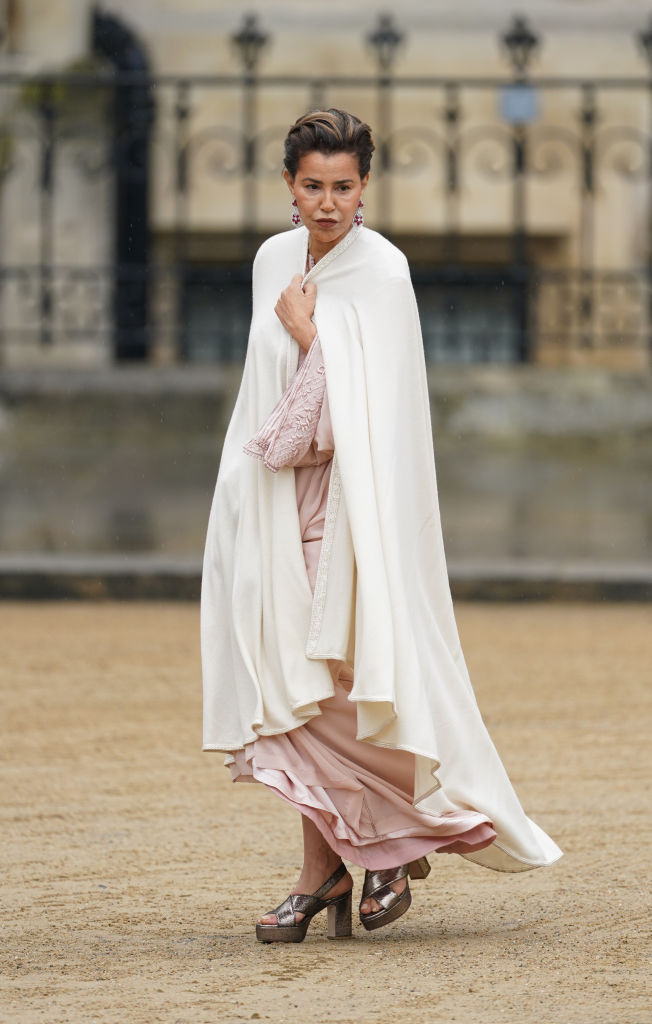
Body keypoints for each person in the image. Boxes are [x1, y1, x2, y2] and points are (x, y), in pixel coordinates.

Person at [201, 108, 562, 944]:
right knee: (286, 685)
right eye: (312, 186)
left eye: (343, 186)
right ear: (289, 186)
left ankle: (391, 842)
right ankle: (334, 868)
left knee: (336, 684)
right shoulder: (271, 261)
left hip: (353, 507)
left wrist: (310, 336)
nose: (328, 203)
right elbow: (261, 396)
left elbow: (372, 416)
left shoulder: (384, 271)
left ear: (365, 185)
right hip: (273, 500)